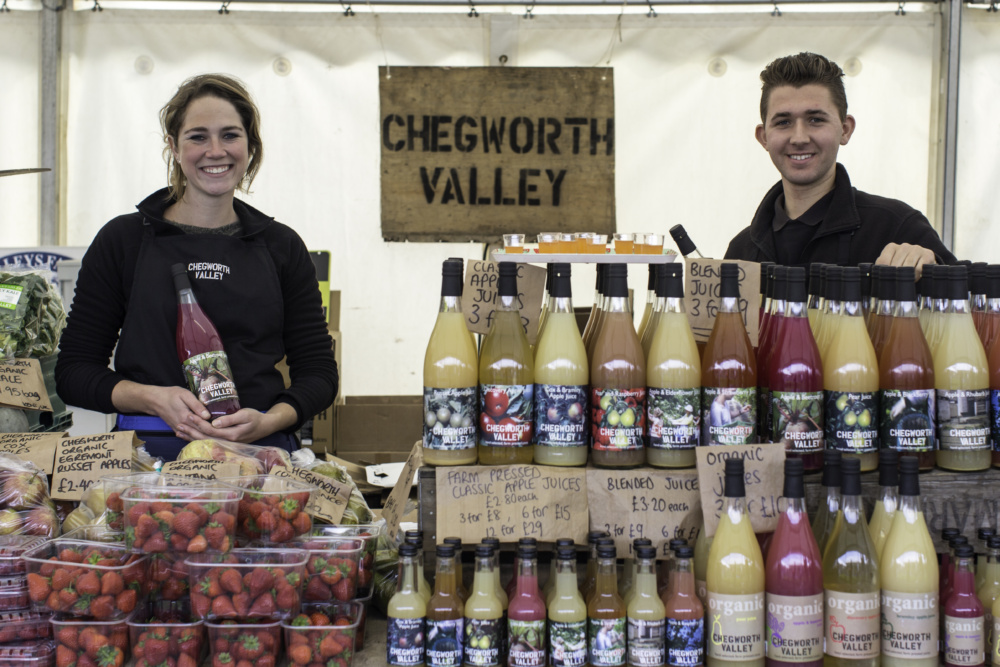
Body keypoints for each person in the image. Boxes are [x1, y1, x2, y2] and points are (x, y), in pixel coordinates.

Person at [55, 74, 338, 460]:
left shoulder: (280, 245)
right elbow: (74, 371)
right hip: (148, 458)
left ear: (250, 146)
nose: (216, 150)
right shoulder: (124, 239)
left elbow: (319, 372)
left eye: (230, 135)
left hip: (258, 458)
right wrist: (152, 398)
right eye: (198, 136)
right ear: (173, 145)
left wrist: (270, 420)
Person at [725, 52, 956, 273]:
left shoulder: (896, 227)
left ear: (845, 130)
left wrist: (934, 268)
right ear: (763, 137)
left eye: (815, 120)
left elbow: (970, 300)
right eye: (783, 122)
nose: (799, 138)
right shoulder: (741, 251)